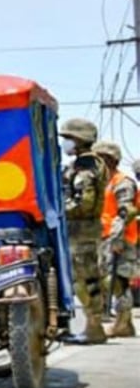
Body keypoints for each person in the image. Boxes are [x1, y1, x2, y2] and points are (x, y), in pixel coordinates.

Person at [59, 118, 109, 345]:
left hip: (82, 232)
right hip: (82, 231)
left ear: (79, 140)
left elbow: (84, 203)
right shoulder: (86, 163)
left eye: (68, 139)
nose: (65, 144)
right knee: (86, 279)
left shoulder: (86, 166)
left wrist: (59, 210)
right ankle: (93, 326)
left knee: (86, 280)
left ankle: (94, 327)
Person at [95, 140, 134, 339]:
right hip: (107, 237)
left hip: (122, 239)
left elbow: (124, 213)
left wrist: (117, 240)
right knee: (109, 280)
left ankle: (123, 323)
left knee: (118, 281)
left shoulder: (123, 182)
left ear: (108, 160)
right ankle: (123, 322)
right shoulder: (106, 182)